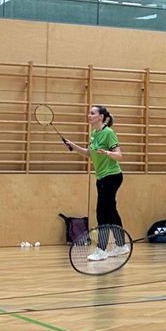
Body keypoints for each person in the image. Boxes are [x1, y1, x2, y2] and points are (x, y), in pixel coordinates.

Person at [64, 105, 127, 261]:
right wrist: (73, 146)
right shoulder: (94, 134)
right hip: (101, 178)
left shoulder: (108, 133)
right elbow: (89, 154)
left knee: (102, 213)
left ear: (101, 117)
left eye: (92, 113)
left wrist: (107, 153)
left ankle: (101, 249)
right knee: (111, 212)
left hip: (112, 176)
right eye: (89, 113)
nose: (89, 115)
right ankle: (121, 246)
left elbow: (119, 155)